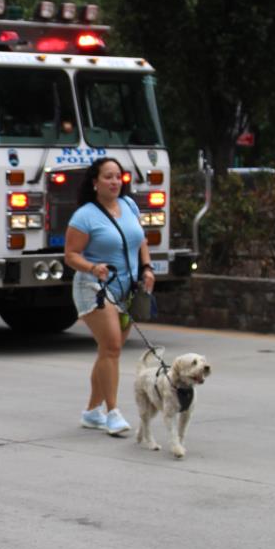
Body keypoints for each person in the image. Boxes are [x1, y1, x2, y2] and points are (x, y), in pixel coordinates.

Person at [64, 155, 155, 435]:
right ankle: (113, 412)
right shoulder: (84, 216)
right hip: (94, 287)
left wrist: (147, 267)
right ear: (95, 182)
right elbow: (70, 255)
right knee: (112, 347)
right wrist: (93, 267)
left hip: (125, 288)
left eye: (118, 176)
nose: (115, 182)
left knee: (108, 351)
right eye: (108, 177)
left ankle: (92, 411)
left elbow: (141, 239)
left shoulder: (128, 205)